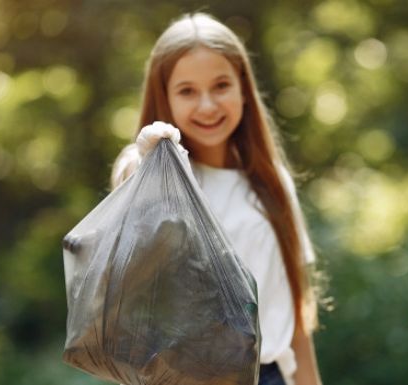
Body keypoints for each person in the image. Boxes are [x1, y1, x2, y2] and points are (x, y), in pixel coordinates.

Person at [109, 12, 323, 385]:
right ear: (165, 98)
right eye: (187, 91)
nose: (207, 105)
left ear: (243, 89)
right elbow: (130, 182)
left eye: (221, 85)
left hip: (272, 375)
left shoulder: (272, 184)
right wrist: (152, 157)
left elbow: (297, 321)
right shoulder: (157, 178)